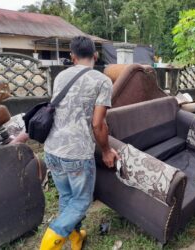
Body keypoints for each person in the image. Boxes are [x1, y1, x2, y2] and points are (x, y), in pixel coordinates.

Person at [40, 36, 119, 250]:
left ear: (72, 57)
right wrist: (106, 150)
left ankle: (76, 239)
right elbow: (97, 124)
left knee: (67, 198)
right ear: (95, 55)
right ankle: (47, 246)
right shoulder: (102, 81)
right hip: (77, 153)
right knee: (82, 201)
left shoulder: (60, 77)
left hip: (52, 150)